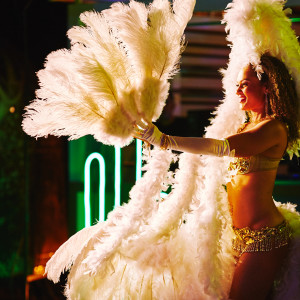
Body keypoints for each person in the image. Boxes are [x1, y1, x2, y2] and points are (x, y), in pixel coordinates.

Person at [134, 53, 299, 299]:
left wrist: (165, 140)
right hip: (237, 239)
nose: (238, 91)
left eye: (245, 85)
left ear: (266, 87)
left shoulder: (273, 128)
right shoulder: (245, 127)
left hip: (265, 238)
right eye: (237, 86)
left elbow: (219, 147)